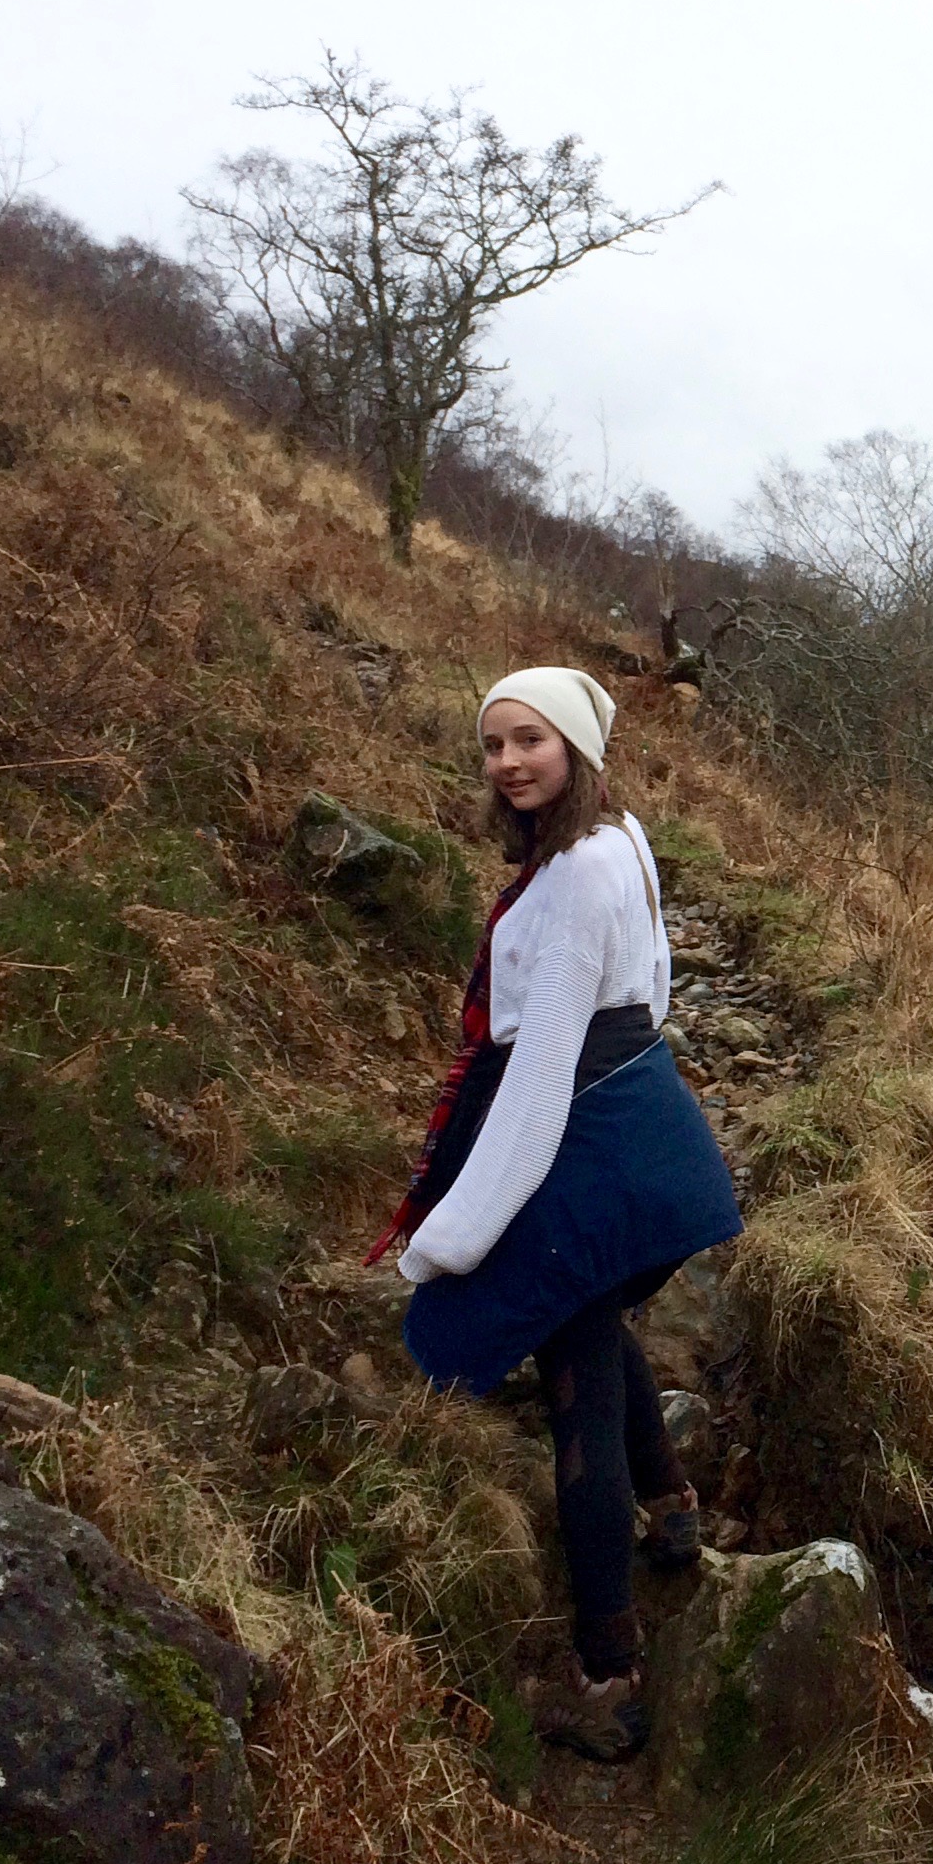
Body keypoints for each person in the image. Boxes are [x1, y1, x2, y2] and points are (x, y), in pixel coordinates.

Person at [370, 666, 743, 1757]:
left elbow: (538, 1075)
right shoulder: (618, 839)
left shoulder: (579, 872)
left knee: (567, 1386)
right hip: (638, 1127)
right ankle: (673, 1509)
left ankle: (606, 1677)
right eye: (491, 745)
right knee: (591, 1318)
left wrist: (453, 1237)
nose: (507, 763)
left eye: (529, 740)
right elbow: (656, 990)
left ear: (575, 744)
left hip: (584, 1142)